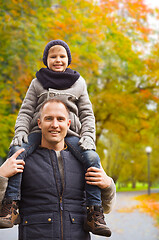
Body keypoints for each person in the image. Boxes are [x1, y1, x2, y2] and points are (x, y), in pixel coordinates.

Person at [0, 40, 111, 236]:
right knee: (16, 152)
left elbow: (87, 114)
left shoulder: (78, 82)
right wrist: (19, 135)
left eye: (62, 56)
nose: (58, 60)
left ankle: (94, 213)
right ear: (46, 60)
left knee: (92, 158)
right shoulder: (37, 82)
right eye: (53, 56)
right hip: (35, 230)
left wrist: (108, 183)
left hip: (76, 137)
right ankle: (11, 206)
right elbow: (25, 111)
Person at [0, 99, 116, 239]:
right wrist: (1, 175)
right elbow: (4, 209)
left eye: (60, 119)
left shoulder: (84, 161)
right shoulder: (21, 160)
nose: (55, 125)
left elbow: (107, 208)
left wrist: (108, 186)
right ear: (39, 123)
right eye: (48, 118)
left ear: (68, 124)